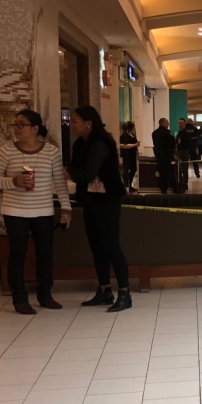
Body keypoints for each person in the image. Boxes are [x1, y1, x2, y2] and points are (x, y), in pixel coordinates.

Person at [0, 109, 72, 314]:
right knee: (17, 253)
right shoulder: (6, 151)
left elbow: (59, 183)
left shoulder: (51, 152)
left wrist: (66, 209)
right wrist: (14, 181)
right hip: (15, 210)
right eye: (15, 124)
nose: (17, 128)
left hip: (43, 210)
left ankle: (45, 294)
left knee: (45, 254)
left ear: (35, 129)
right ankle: (19, 297)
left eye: (21, 124)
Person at [66, 106, 132, 312]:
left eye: (75, 121)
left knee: (112, 246)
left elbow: (86, 174)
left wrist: (68, 170)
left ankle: (124, 292)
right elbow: (80, 172)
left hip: (107, 201)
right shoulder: (80, 144)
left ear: (89, 122)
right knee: (97, 246)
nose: (72, 125)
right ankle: (104, 290)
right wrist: (71, 171)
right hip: (90, 200)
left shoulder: (100, 143)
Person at [152, 117, 176, 194]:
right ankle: (175, 189)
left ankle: (163, 189)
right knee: (171, 172)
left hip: (159, 156)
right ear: (163, 123)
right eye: (167, 122)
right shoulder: (167, 132)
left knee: (162, 173)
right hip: (167, 155)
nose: (168, 124)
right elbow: (172, 143)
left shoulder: (154, 133)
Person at [119, 120, 140, 193]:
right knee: (126, 171)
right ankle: (126, 186)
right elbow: (123, 145)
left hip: (133, 156)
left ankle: (132, 185)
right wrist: (135, 145)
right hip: (127, 156)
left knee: (133, 171)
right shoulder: (124, 136)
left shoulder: (132, 135)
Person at [175, 117, 194, 191]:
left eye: (181, 123)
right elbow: (177, 142)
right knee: (178, 168)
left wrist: (180, 143)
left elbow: (188, 144)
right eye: (179, 123)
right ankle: (180, 182)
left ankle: (184, 183)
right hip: (179, 151)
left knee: (184, 169)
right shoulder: (179, 133)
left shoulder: (186, 133)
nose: (180, 125)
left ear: (185, 124)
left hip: (184, 152)